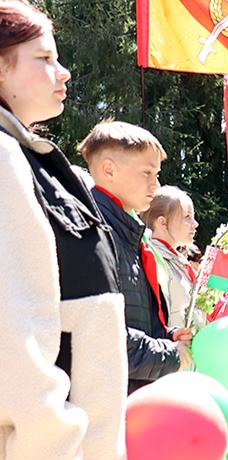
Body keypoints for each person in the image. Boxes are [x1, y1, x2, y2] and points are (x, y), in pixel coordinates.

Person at [0, 0, 128, 460]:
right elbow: (13, 316)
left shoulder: (28, 154)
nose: (64, 71)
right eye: (44, 58)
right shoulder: (5, 159)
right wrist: (46, 446)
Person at [80, 121, 191, 395]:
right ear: (109, 170)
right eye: (147, 173)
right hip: (105, 401)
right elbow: (102, 337)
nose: (156, 184)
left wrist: (164, 336)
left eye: (157, 174)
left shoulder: (125, 231)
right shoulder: (94, 230)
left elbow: (132, 317)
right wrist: (170, 354)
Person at [139, 185, 198, 328]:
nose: (195, 224)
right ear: (162, 222)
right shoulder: (152, 258)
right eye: (187, 217)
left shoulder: (177, 260)